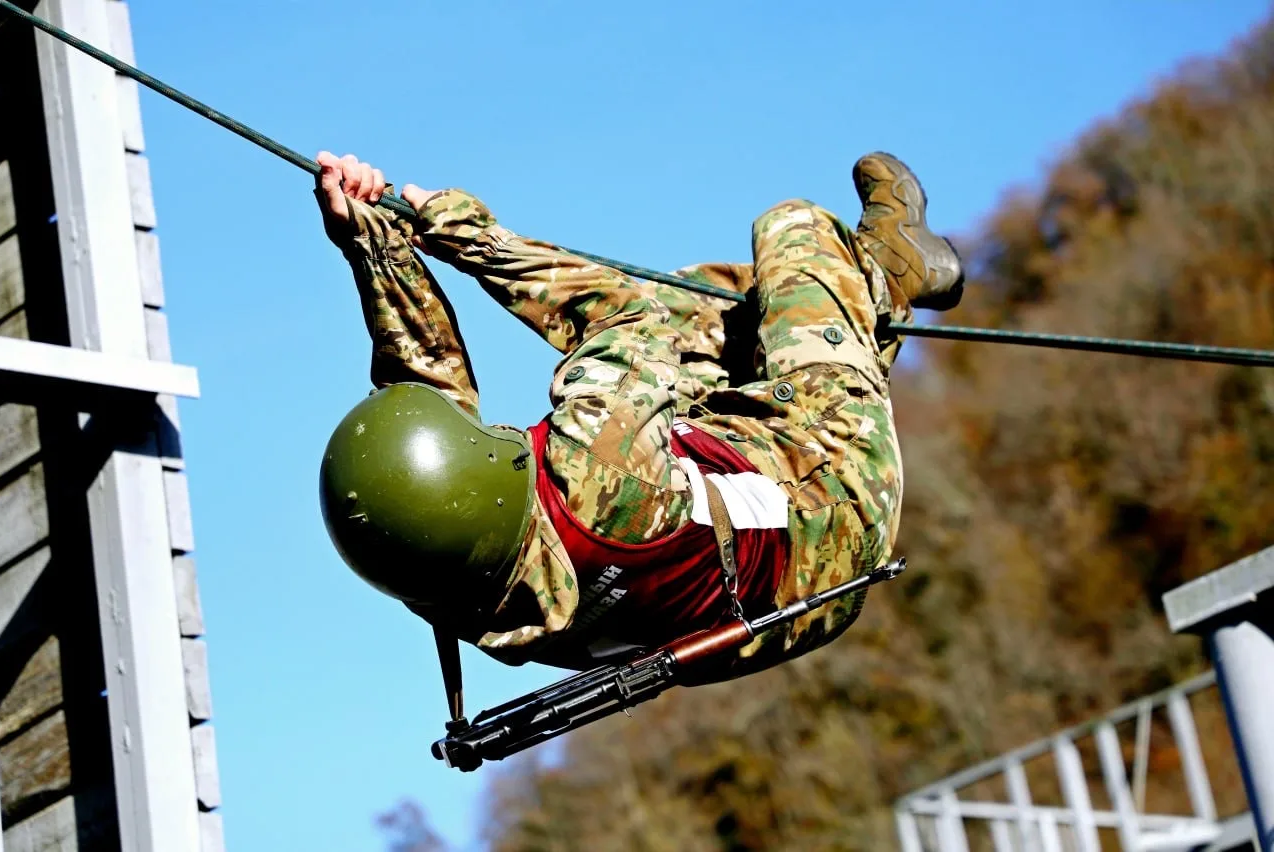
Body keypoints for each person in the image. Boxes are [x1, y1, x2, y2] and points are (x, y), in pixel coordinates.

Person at [314, 150, 962, 679]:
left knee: (713, 310)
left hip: (764, 606)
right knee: (792, 233)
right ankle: (891, 266)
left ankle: (857, 293)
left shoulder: (442, 574)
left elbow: (423, 385)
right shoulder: (593, 468)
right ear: (482, 469)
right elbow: (625, 315)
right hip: (834, 494)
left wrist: (376, 246)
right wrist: (467, 234)